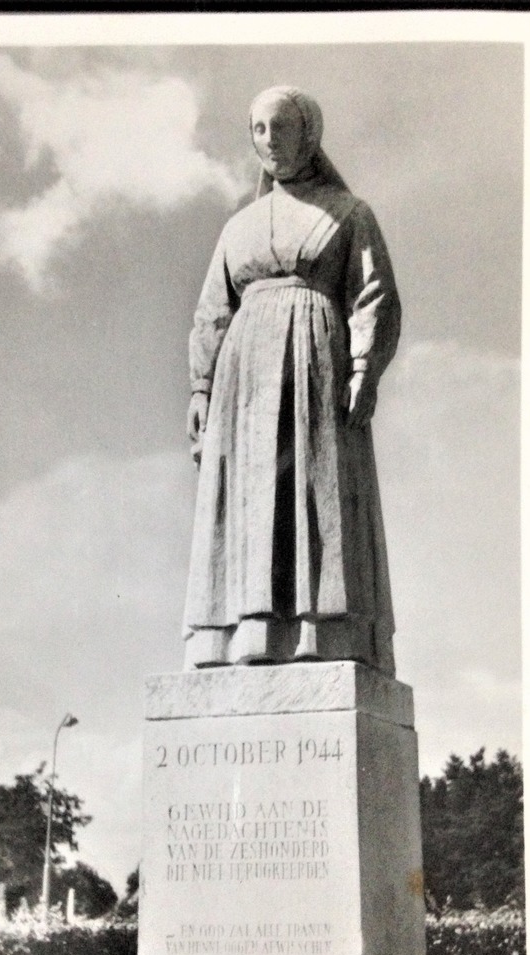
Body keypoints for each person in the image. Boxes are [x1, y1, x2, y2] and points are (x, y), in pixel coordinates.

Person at [183, 86, 401, 674]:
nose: (270, 140)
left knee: (313, 492)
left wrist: (363, 367)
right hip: (243, 380)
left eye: (281, 127)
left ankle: (319, 632)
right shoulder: (238, 229)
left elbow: (373, 296)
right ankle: (243, 633)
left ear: (309, 133)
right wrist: (201, 388)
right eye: (258, 129)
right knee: (250, 498)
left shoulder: (349, 214)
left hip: (316, 365)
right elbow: (212, 311)